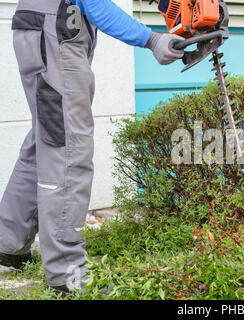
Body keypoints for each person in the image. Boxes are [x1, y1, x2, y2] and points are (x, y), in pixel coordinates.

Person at [0, 0, 184, 294]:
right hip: (55, 31)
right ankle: (66, 273)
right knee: (69, 148)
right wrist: (151, 39)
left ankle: (8, 243)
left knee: (47, 140)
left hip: (40, 25)